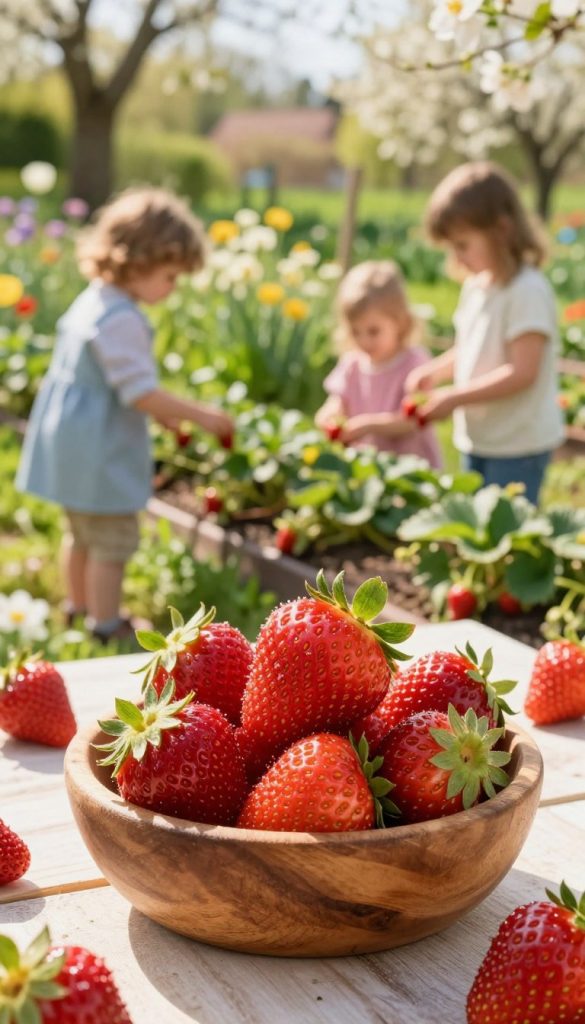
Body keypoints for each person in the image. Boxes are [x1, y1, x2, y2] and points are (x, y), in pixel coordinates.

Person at [17, 187, 233, 642]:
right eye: (170, 276)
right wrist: (201, 416)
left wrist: (166, 416)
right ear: (139, 262)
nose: (172, 288)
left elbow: (113, 382)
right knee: (111, 544)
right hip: (101, 454)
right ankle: (106, 625)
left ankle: (76, 608)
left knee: (80, 533)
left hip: (71, 446)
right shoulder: (122, 319)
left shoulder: (94, 299)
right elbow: (139, 393)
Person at [405, 161, 563, 505]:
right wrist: (434, 372)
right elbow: (471, 348)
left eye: (462, 245)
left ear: (501, 230)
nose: (457, 258)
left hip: (518, 443)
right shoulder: (478, 287)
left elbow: (523, 372)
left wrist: (455, 397)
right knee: (477, 527)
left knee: (505, 535)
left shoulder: (526, 291)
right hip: (480, 437)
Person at [315, 260, 441, 467]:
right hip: (367, 466)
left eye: (373, 331)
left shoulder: (415, 363)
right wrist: (329, 416)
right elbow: (337, 401)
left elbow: (414, 420)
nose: (364, 341)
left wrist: (367, 426)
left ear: (400, 322)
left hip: (410, 467)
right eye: (355, 332)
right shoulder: (352, 364)